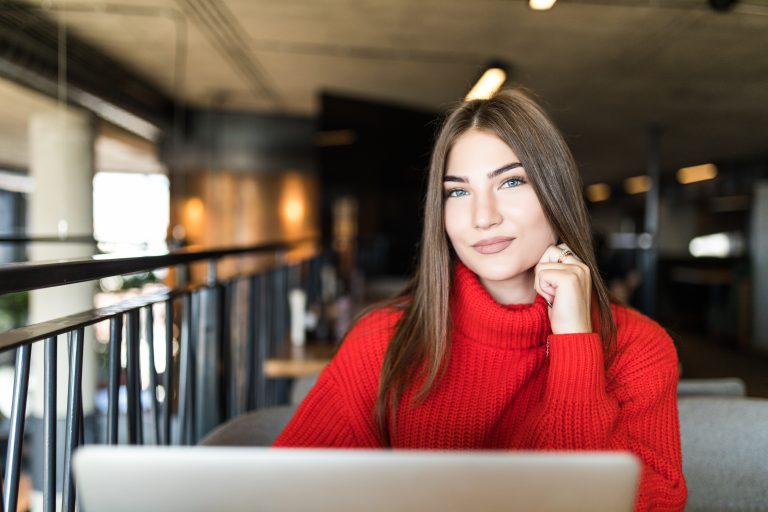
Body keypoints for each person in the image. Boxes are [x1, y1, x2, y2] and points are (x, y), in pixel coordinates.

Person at [274, 89, 687, 511]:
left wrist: (575, 344)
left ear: (555, 193)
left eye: (511, 181)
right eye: (458, 192)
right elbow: (281, 494)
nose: (482, 217)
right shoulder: (384, 340)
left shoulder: (638, 349)